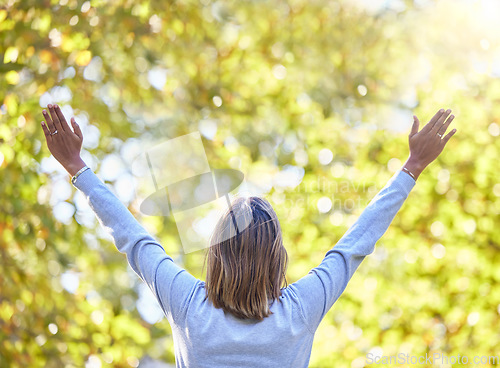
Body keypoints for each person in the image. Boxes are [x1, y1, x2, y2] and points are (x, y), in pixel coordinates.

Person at [40, 104, 456, 367]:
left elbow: (133, 238)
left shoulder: (188, 304)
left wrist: (78, 167)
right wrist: (412, 167)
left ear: (216, 255)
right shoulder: (299, 310)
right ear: (278, 259)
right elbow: (356, 243)